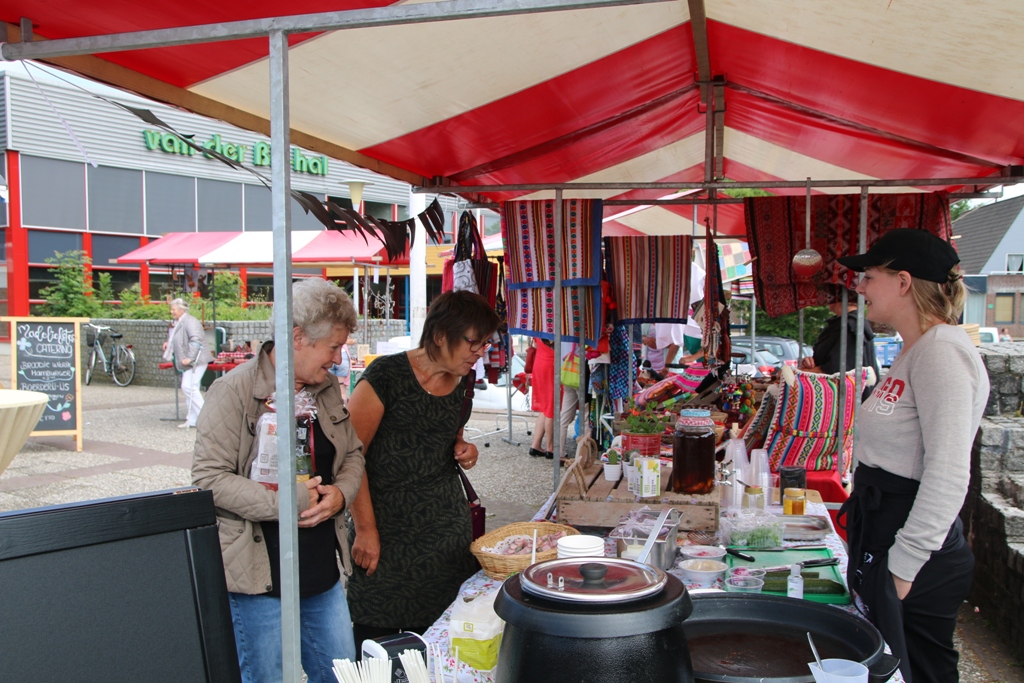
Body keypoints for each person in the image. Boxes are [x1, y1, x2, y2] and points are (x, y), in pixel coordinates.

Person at [192, 278, 364, 683]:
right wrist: (291, 502)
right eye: (332, 347)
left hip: (319, 570)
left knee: (342, 674)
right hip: (258, 577)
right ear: (297, 337)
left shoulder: (326, 388)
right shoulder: (233, 390)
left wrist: (341, 495)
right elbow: (209, 479)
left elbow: (353, 454)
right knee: (266, 677)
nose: (337, 359)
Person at [836, 229, 988, 683]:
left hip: (915, 552)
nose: (860, 287)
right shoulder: (916, 348)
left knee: (919, 672)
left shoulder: (942, 352)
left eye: (869, 276)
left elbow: (949, 471)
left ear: (903, 282)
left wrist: (902, 572)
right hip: (888, 533)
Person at [346, 290, 499, 647]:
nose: (480, 353)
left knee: (441, 639)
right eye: (474, 342)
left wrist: (466, 450)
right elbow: (350, 457)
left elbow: (451, 439)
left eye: (485, 344)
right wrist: (366, 530)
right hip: (384, 531)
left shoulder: (465, 383)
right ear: (441, 335)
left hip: (445, 534)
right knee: (376, 642)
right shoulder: (386, 376)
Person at [800, 288, 880, 401]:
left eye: (829, 295)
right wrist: (810, 362)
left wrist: (800, 372)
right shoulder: (840, 324)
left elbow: (837, 368)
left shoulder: (851, 325)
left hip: (847, 401)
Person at [163, 298, 213, 429]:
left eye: (173, 309)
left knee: (188, 387)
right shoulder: (180, 321)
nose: (171, 312)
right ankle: (192, 420)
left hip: (196, 360)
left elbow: (196, 340)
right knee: (191, 388)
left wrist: (190, 358)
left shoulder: (190, 321)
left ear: (181, 309)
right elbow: (178, 338)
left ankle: (205, 418)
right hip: (192, 361)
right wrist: (169, 343)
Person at [528, 338, 555, 459]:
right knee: (551, 408)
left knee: (545, 408)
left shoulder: (538, 328)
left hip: (539, 363)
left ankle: (535, 445)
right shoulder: (555, 330)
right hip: (551, 364)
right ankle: (550, 448)